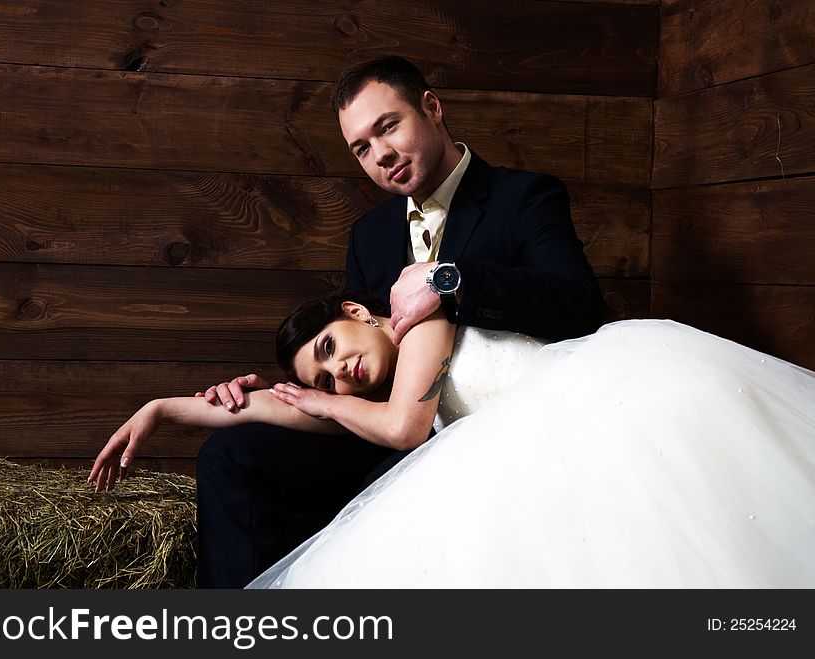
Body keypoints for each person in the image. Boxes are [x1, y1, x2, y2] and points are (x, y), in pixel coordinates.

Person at [185, 56, 605, 587]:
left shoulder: (522, 196)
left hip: (496, 439)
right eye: (361, 147)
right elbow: (365, 360)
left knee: (393, 500)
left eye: (388, 127)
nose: (381, 155)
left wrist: (447, 280)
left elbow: (579, 305)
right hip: (390, 433)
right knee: (231, 455)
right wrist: (277, 397)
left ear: (431, 107)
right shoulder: (370, 235)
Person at [91, 289, 815, 587]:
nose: (339, 371)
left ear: (358, 309)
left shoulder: (420, 318)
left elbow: (408, 428)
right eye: (327, 373)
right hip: (512, 454)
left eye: (329, 343)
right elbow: (283, 408)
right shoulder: (363, 391)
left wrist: (323, 399)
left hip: (589, 406)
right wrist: (164, 408)